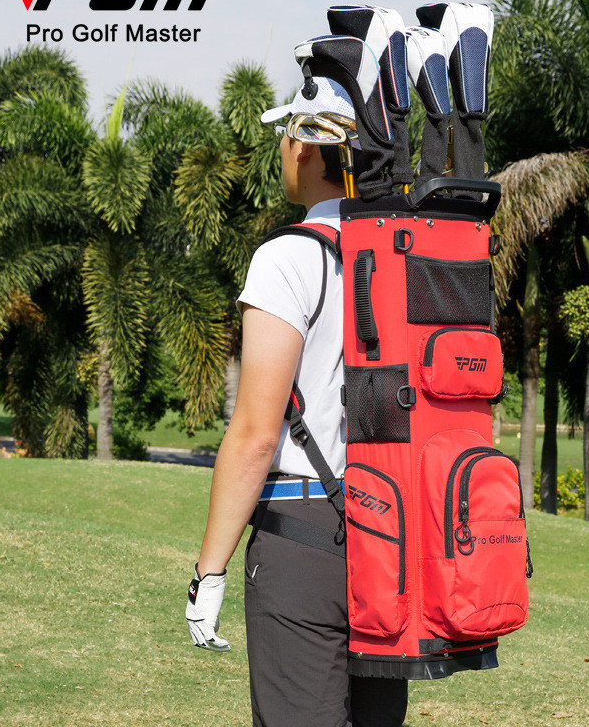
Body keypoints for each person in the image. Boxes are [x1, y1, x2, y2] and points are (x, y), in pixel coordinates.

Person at [185, 76, 409, 727]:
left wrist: (209, 573)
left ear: (305, 147)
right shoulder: (400, 249)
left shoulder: (287, 256)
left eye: (286, 135)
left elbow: (256, 434)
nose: (282, 149)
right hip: (393, 534)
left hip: (304, 536)